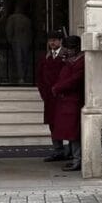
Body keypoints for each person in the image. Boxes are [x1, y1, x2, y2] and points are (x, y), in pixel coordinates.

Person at [51, 35, 85, 171]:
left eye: (69, 48)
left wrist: (57, 88)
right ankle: (74, 157)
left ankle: (78, 160)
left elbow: (74, 79)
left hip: (73, 100)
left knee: (74, 133)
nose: (67, 51)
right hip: (66, 101)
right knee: (70, 133)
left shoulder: (80, 61)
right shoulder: (70, 60)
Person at [35, 31, 66, 161]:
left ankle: (70, 150)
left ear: (60, 41)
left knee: (65, 124)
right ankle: (58, 150)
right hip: (49, 97)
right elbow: (39, 77)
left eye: (54, 40)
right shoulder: (45, 57)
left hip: (63, 96)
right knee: (52, 124)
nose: (52, 43)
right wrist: (44, 93)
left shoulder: (66, 56)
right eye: (50, 40)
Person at [5, 3, 33, 84]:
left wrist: (10, 39)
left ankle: (21, 77)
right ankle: (23, 76)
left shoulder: (12, 18)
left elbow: (8, 30)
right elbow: (30, 32)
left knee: (19, 60)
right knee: (24, 60)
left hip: (17, 41)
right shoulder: (27, 19)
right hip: (25, 42)